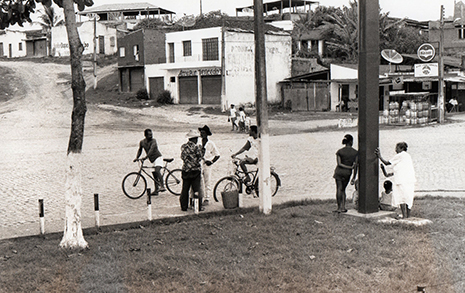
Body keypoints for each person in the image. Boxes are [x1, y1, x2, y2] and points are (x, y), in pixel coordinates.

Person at [375, 142, 416, 219]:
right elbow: (391, 173)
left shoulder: (400, 155)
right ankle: (408, 216)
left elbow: (387, 163)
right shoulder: (407, 157)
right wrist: (384, 170)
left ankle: (404, 216)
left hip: (402, 181)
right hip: (410, 180)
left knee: (402, 198)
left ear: (401, 148)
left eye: (396, 147)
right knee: (408, 198)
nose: (395, 149)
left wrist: (379, 156)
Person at [134, 129, 165, 195]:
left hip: (158, 158)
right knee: (154, 175)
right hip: (152, 159)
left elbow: (151, 150)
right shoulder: (142, 142)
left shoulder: (154, 141)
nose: (151, 136)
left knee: (157, 170)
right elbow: (140, 150)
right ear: (145, 135)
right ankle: (156, 190)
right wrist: (137, 158)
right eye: (149, 135)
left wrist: (145, 157)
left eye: (151, 134)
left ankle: (162, 186)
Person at [333, 134, 358, 213]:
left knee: (339, 189)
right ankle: (343, 207)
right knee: (343, 189)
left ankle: (339, 208)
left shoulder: (340, 151)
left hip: (339, 172)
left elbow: (339, 164)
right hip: (347, 173)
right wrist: (354, 177)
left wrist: (348, 167)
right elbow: (356, 166)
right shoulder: (355, 152)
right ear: (351, 141)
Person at [180, 129, 204, 212]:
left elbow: (182, 157)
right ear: (194, 139)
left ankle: (184, 206)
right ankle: (198, 206)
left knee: (185, 189)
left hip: (185, 169)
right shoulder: (196, 147)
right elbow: (200, 157)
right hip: (195, 170)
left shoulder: (183, 147)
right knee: (196, 188)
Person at [198, 125, 220, 206]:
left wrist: (211, 161)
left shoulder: (210, 143)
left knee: (207, 181)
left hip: (207, 164)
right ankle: (199, 198)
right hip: (199, 164)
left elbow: (217, 155)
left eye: (203, 133)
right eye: (201, 133)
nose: (202, 134)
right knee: (199, 181)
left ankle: (207, 198)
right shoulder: (198, 143)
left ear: (207, 134)